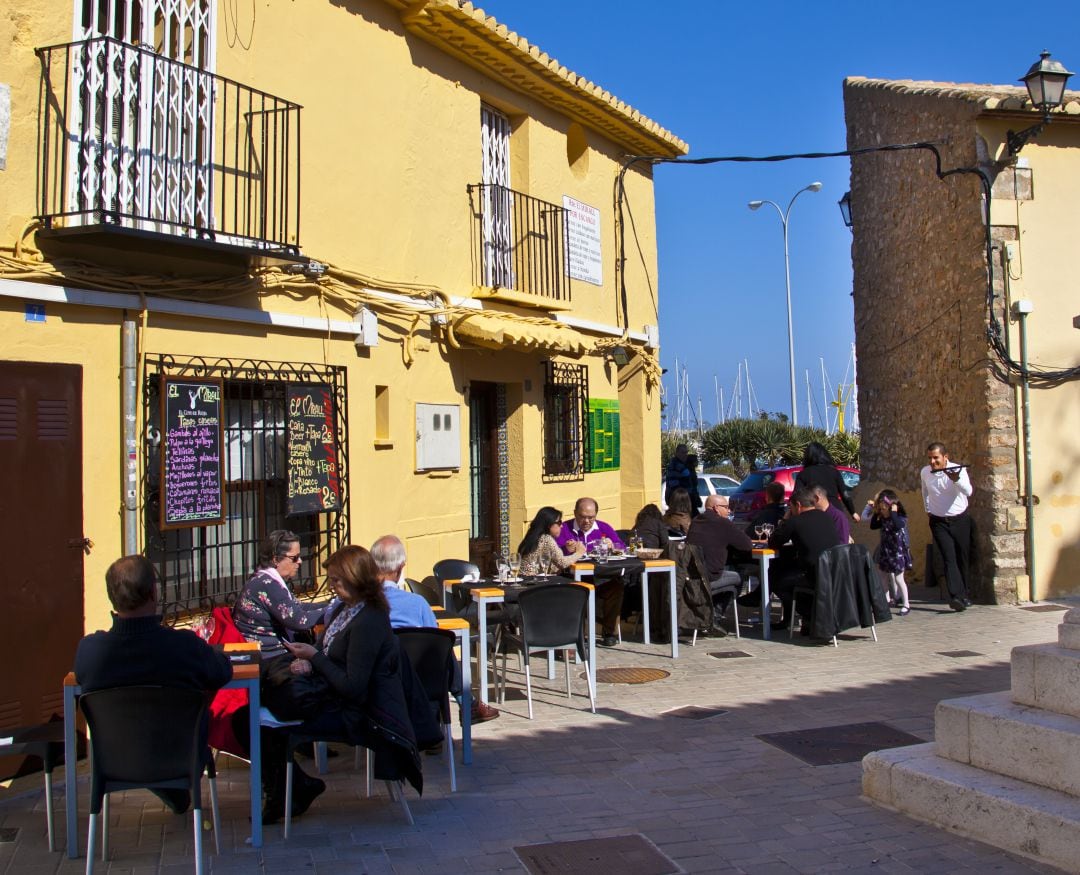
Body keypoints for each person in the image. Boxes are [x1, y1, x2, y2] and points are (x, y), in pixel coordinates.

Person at [275, 545, 433, 821]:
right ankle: (289, 790)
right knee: (254, 715)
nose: (332, 586)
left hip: (357, 712)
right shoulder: (344, 611)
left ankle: (288, 793)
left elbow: (353, 685)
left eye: (336, 580)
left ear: (354, 579)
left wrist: (315, 659)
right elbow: (326, 651)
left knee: (268, 724)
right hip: (334, 697)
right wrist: (309, 660)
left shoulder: (368, 620)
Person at [74, 555, 232, 814]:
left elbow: (79, 688)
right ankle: (173, 788)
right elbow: (222, 671)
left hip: (118, 761)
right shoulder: (184, 647)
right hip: (181, 757)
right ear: (153, 593)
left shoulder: (89, 651)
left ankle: (171, 790)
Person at [370, 534, 499, 723]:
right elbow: (434, 641)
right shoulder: (417, 604)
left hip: (378, 683)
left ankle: (465, 704)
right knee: (443, 650)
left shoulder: (362, 604)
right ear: (400, 568)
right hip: (418, 682)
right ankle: (465, 703)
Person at [233, 530, 327, 657]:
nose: (300, 561)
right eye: (294, 557)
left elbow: (297, 606)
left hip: (271, 651)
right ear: (275, 559)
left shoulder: (265, 578)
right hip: (269, 656)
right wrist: (334, 610)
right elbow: (298, 620)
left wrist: (332, 604)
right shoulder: (267, 584)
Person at [766, 486, 844, 633]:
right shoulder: (826, 517)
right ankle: (807, 620)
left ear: (798, 505)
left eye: (791, 507)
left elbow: (774, 542)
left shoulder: (795, 522)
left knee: (777, 582)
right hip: (835, 572)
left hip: (814, 576)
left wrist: (785, 518)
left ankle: (807, 614)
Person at [555, 497, 626, 647]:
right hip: (572, 577)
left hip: (600, 576)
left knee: (617, 587)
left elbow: (623, 547)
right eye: (582, 517)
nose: (587, 521)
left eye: (591, 517)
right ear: (575, 513)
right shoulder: (564, 529)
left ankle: (609, 632)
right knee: (577, 591)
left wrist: (613, 545)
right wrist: (565, 549)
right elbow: (554, 553)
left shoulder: (604, 528)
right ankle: (579, 633)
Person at [921, 442, 974, 612]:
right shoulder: (925, 472)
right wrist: (928, 509)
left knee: (962, 557)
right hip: (938, 521)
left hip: (960, 519)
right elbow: (925, 492)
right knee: (948, 557)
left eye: (936, 458)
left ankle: (964, 594)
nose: (932, 462)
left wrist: (956, 479)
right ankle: (956, 596)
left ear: (945, 457)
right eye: (930, 458)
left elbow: (968, 491)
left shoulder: (958, 470)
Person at [687, 494, 753, 630]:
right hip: (709, 578)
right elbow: (747, 545)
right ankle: (714, 617)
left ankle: (706, 614)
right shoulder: (723, 523)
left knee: (730, 571)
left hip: (691, 576)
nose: (729, 511)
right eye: (726, 507)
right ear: (716, 508)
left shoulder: (695, 521)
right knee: (740, 576)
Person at [863, 489, 912, 615]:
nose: (882, 509)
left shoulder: (899, 517)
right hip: (885, 551)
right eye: (881, 507)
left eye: (884, 506)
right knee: (883, 576)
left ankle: (906, 604)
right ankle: (886, 601)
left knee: (899, 579)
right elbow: (873, 525)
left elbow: (898, 525)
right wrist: (876, 513)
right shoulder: (882, 518)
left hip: (897, 552)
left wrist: (894, 512)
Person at [795, 441, 860, 523]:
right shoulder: (834, 471)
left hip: (814, 513)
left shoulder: (803, 474)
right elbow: (845, 494)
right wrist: (853, 512)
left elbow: (797, 495)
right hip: (835, 512)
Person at [517, 507, 584, 576]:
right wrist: (579, 553)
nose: (561, 526)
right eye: (559, 522)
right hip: (533, 582)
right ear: (549, 524)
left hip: (525, 579)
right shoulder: (546, 539)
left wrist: (566, 549)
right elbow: (563, 563)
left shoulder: (533, 536)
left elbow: (550, 564)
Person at [664, 444, 693, 508]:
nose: (685, 455)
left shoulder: (680, 464)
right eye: (683, 452)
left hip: (679, 500)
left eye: (686, 452)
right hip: (678, 501)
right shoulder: (676, 464)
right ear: (676, 453)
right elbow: (687, 474)